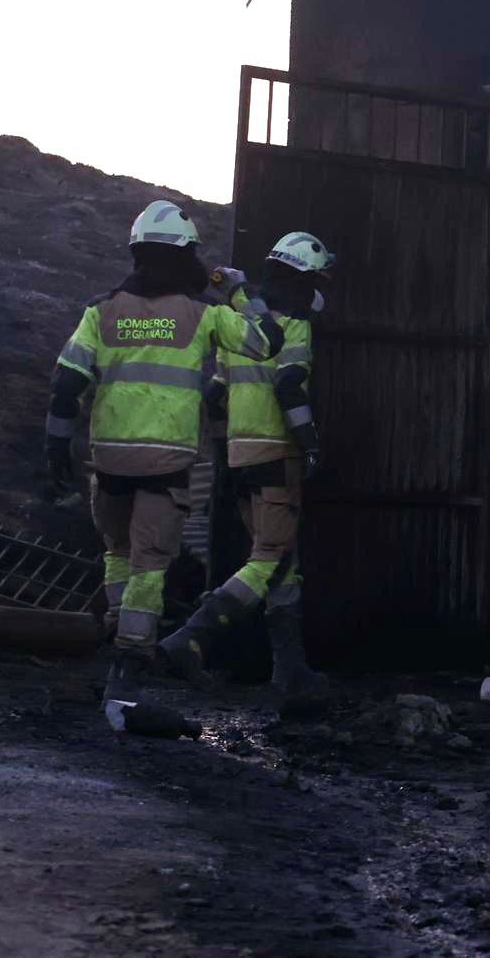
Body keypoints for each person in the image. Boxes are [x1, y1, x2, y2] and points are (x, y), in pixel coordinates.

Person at [45, 200, 285, 706]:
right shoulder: (205, 313)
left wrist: (55, 445)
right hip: (166, 464)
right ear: (185, 255)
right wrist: (240, 291)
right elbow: (268, 341)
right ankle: (131, 658)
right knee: (150, 564)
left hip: (108, 461)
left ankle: (116, 637)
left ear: (136, 253)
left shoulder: (100, 310)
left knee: (116, 554)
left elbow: (66, 382)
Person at [159, 232, 333, 713]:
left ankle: (290, 671)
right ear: (303, 278)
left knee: (280, 562)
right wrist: (311, 445)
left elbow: (216, 393)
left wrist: (222, 442)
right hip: (277, 455)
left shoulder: (241, 324)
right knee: (269, 557)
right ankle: (189, 639)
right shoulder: (294, 326)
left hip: (239, 460)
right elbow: (290, 387)